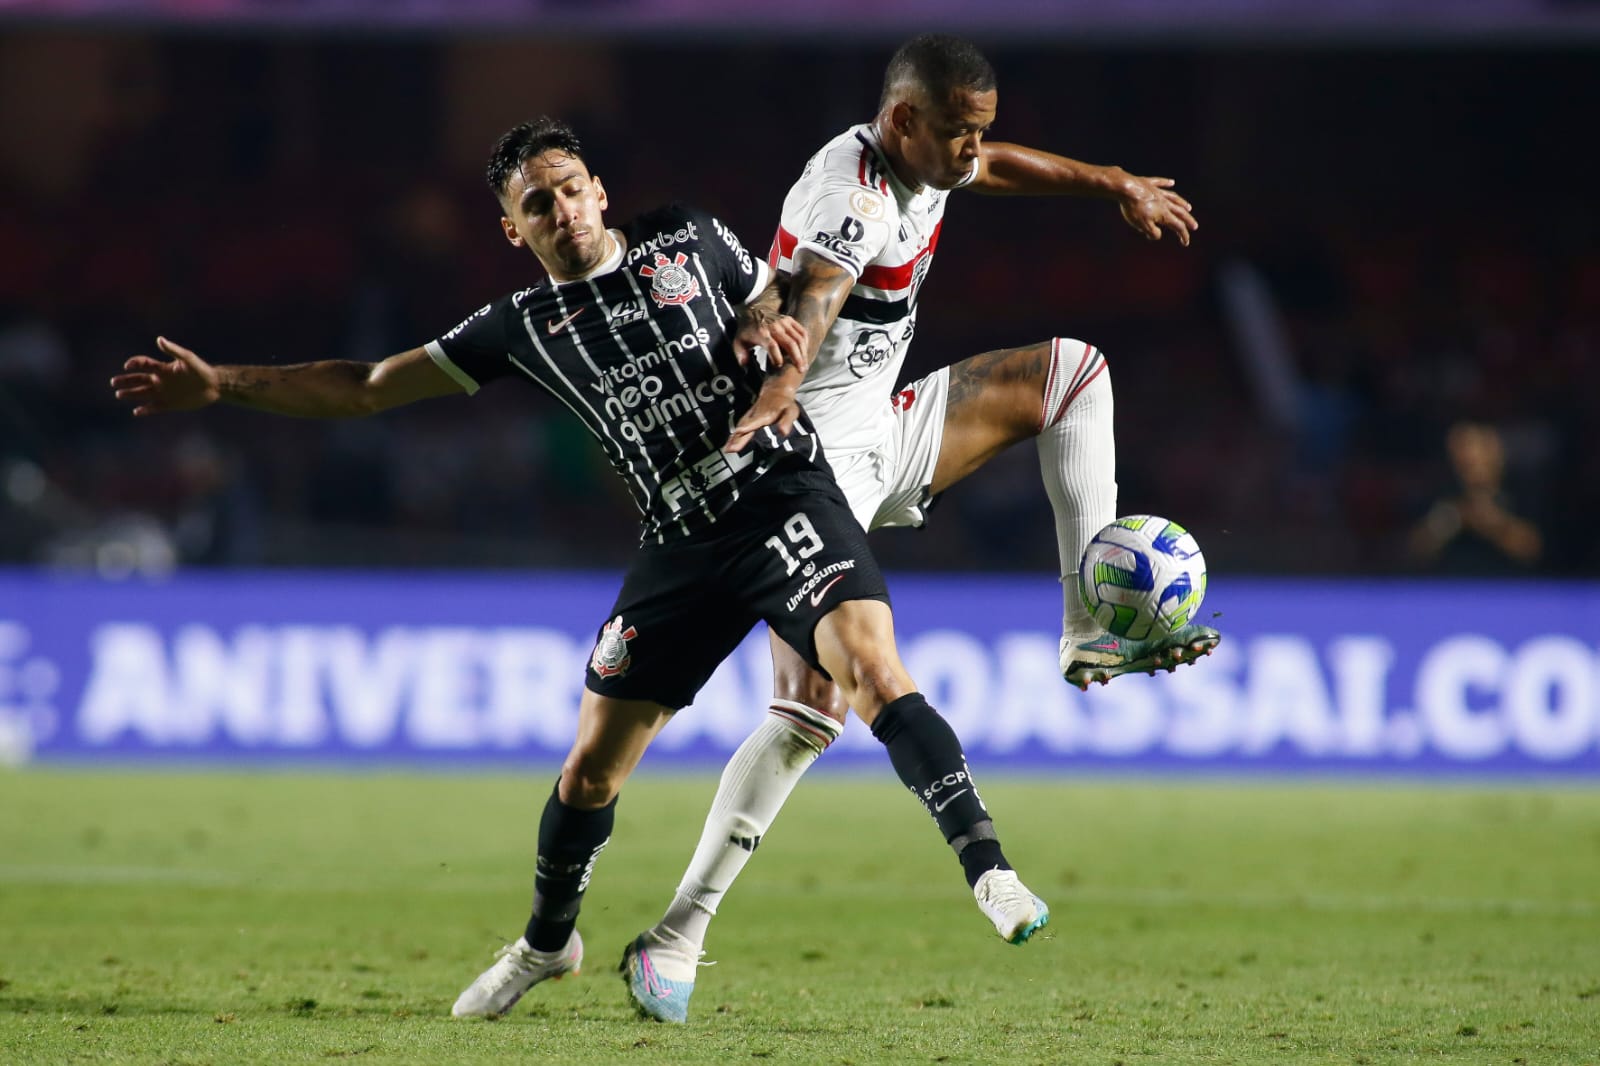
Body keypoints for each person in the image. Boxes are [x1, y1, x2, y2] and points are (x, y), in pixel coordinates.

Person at [109, 116, 1050, 1022]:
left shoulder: (685, 236)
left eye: (569, 190)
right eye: (537, 205)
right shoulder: (515, 327)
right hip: (679, 540)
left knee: (873, 672)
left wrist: (768, 317)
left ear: (598, 190)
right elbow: (366, 387)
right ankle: (547, 944)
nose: (562, 212)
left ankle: (989, 869)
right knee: (590, 773)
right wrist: (224, 385)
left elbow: (788, 284)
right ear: (513, 229)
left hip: (780, 493)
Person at [624, 34, 1222, 1023]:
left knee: (1072, 372)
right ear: (903, 121)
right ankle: (678, 935)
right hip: (802, 460)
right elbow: (813, 294)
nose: (972, 153)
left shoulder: (933, 156)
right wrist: (777, 390)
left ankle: (1090, 622)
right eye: (959, 134)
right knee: (810, 711)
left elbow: (997, 168)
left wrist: (1111, 180)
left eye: (977, 133)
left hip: (885, 427)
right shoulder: (848, 195)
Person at [1408, 420, 1543, 573]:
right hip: (1451, 587)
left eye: (1472, 448)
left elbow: (1534, 550)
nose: (1466, 457)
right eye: (1458, 450)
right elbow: (1415, 550)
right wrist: (1443, 524)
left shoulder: (1521, 488)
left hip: (1512, 588)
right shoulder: (1441, 490)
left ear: (1493, 448)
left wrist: (1494, 525)